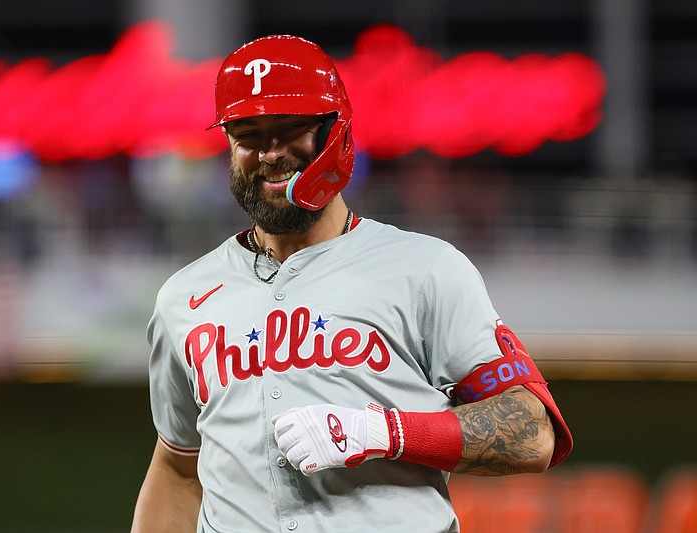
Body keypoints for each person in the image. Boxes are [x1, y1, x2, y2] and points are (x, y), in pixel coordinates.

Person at [131, 34, 573, 533]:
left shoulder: (425, 270)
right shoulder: (183, 299)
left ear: (336, 133)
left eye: (291, 129)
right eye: (248, 134)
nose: (270, 153)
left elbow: (532, 433)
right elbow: (177, 464)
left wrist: (384, 431)